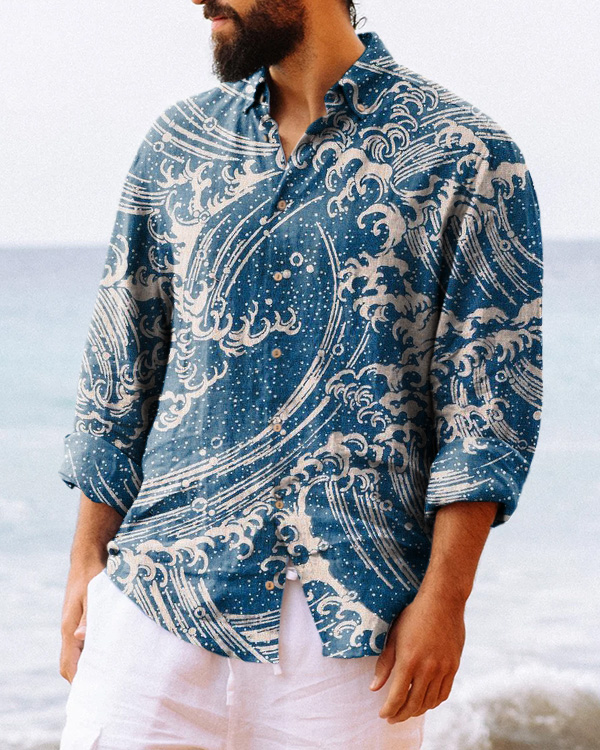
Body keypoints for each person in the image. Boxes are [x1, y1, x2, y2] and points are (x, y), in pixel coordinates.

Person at [57, 0, 544, 748]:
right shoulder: (178, 145)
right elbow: (121, 367)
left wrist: (446, 602)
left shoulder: (466, 154)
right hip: (154, 603)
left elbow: (487, 400)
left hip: (350, 634)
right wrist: (85, 563)